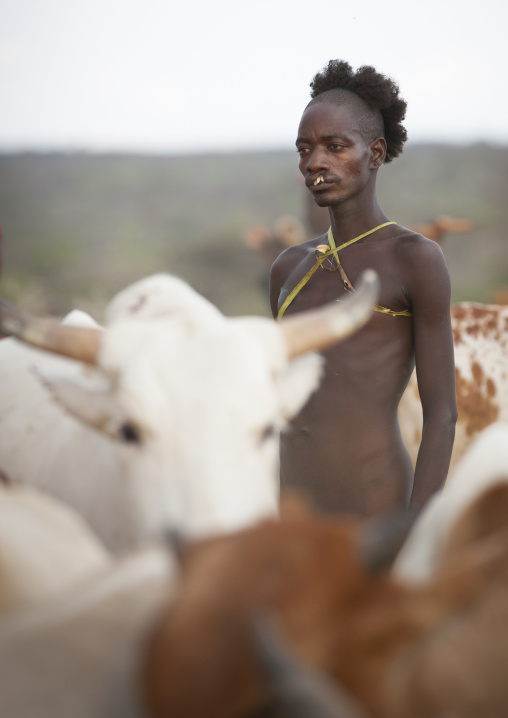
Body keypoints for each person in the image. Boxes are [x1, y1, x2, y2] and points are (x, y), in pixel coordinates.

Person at [269, 60, 457, 517]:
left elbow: (442, 414)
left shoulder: (414, 258)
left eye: (335, 147)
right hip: (292, 520)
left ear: (374, 153)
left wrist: (415, 528)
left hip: (378, 513)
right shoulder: (287, 268)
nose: (315, 162)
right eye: (305, 149)